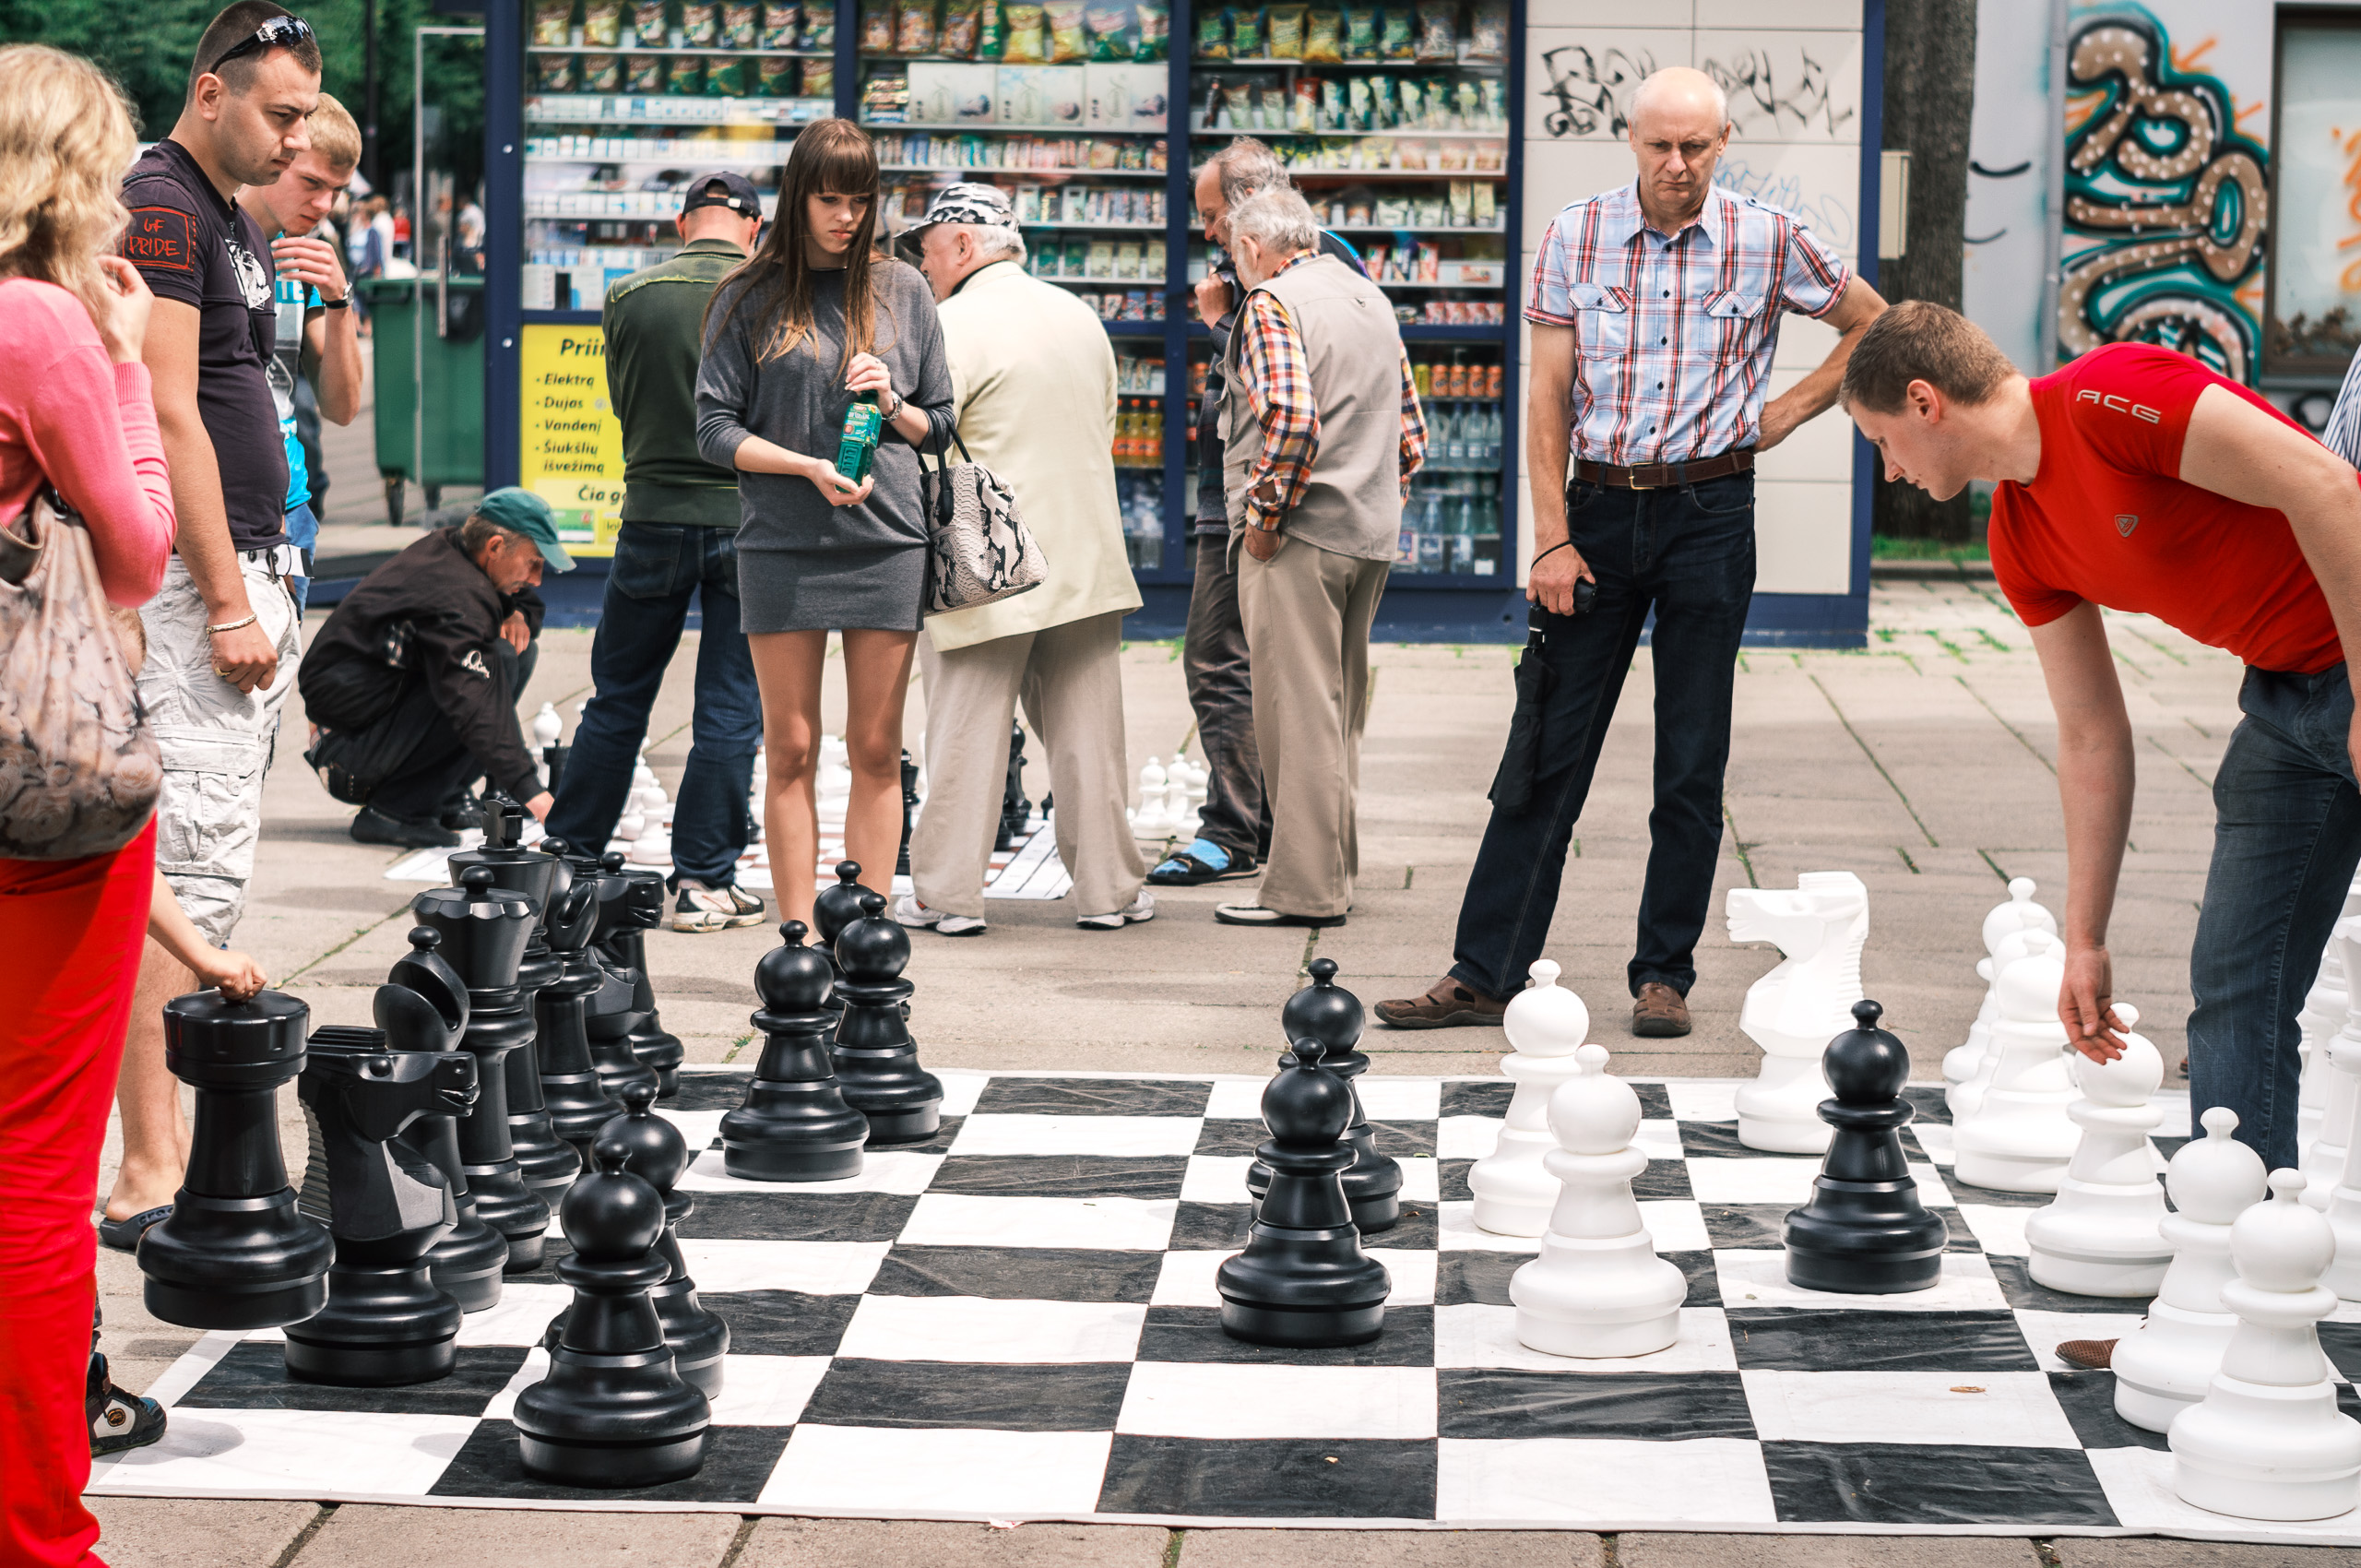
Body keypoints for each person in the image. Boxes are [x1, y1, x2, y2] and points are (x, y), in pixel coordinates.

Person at [1376, 66, 1885, 1035]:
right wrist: (1551, 538)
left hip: (1710, 513)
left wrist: (1784, 411)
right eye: (1660, 145)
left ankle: (1664, 974)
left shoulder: (1766, 237)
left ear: (1723, 140)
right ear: (1630, 138)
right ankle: (1484, 969)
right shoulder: (1574, 234)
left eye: (1695, 146)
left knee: (1690, 761)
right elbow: (1546, 399)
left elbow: (1874, 321)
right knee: (1545, 750)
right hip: (1598, 514)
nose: (1677, 164)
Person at [1844, 300, 2361, 1179]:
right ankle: (2233, 1237)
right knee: (2235, 984)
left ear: (1926, 402)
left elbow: (2326, 485)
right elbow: (2090, 733)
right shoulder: (2019, 536)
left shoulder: (2108, 395)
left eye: (1881, 440)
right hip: (2285, 707)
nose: (1887, 470)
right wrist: (2085, 939)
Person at [0, 41, 179, 1568]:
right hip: (33, 794)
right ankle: (40, 1534)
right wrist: (124, 365)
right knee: (36, 1182)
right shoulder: (37, 322)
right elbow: (136, 554)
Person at [102, 0, 321, 1246]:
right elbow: (169, 408)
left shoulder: (229, 214)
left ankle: (169, 1150)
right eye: (280, 113)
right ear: (210, 91)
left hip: (244, 567)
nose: (295, 140)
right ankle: (148, 1166)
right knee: (176, 878)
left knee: (208, 873)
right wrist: (230, 596)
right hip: (205, 585)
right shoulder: (168, 200)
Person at [695, 119, 955, 932]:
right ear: (797, 197)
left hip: (886, 538)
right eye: (829, 198)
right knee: (792, 749)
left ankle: (867, 936)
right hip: (780, 541)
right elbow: (712, 430)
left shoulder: (904, 290)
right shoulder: (746, 294)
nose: (846, 215)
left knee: (876, 748)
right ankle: (799, 938)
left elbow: (942, 426)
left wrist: (894, 405)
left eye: (861, 199)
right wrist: (805, 467)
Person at [895, 183, 1152, 935]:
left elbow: (928, 436)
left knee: (967, 734)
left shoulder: (949, 322)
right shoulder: (1079, 316)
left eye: (929, 249)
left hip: (989, 561)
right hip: (1085, 558)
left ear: (965, 245)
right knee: (1089, 743)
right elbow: (1100, 427)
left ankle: (948, 896)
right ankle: (1109, 893)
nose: (923, 266)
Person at [545, 172, 768, 932]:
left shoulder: (630, 295)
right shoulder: (769, 293)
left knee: (618, 697)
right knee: (732, 705)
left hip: (650, 515)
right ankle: (705, 881)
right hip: (748, 518)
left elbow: (623, 398)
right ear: (755, 227)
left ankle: (570, 861)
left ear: (682, 224)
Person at [1207, 186, 1427, 931]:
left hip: (1300, 535)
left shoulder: (1271, 302)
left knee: (1294, 716)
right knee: (1338, 715)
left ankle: (1303, 892)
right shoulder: (1369, 297)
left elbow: (1292, 421)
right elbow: (1412, 434)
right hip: (1367, 531)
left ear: (1249, 248)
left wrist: (1266, 518)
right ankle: (1337, 874)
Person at [1151, 138, 1367, 890]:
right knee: (1298, 678)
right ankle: (1289, 834)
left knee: (1219, 660)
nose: (1206, 232)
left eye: (1213, 215)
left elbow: (1285, 398)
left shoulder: (1274, 277)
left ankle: (1237, 830)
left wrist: (1218, 326)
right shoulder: (1337, 268)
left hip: (1261, 502)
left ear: (1247, 211)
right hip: (1310, 504)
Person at [300, 490, 571, 847]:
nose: (537, 578)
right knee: (491, 667)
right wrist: (533, 793)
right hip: (347, 754)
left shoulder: (453, 549)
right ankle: (394, 812)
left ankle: (441, 795)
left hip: (374, 725)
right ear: (494, 547)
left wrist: (514, 611)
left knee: (514, 653)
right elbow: (477, 706)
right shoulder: (453, 594)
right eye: (533, 562)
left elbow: (526, 600)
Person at [238, 89, 362, 612]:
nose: (323, 205)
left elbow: (341, 406)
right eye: (311, 183)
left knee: (273, 686)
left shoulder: (302, 260)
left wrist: (339, 299)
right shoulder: (205, 237)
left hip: (292, 509)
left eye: (336, 191)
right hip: (223, 512)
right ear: (276, 155)